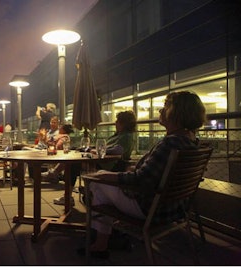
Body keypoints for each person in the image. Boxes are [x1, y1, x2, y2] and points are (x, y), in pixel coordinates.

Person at [78, 91, 206, 258]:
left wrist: (104, 176)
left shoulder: (170, 143)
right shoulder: (192, 143)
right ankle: (112, 236)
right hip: (176, 208)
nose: (160, 111)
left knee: (96, 183)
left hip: (149, 209)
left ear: (176, 113)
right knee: (103, 181)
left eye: (165, 107)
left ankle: (101, 243)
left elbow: (140, 181)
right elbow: (153, 174)